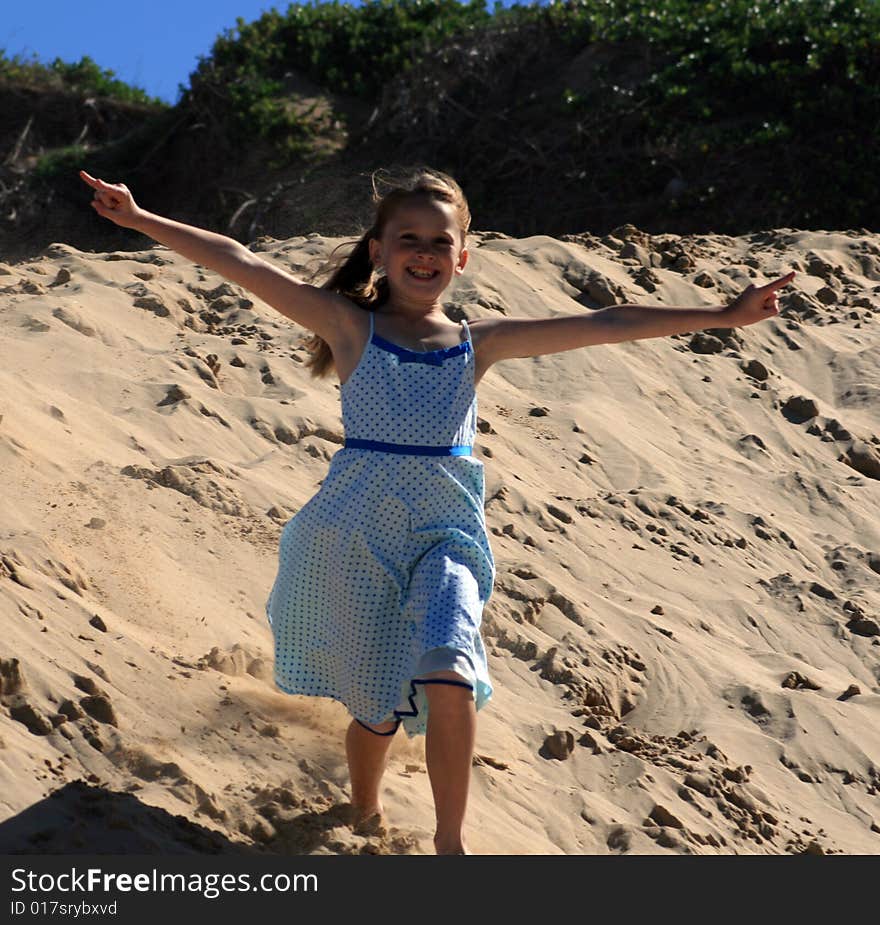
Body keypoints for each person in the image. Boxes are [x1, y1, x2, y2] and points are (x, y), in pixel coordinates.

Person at [79, 165, 795, 854]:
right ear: (379, 251)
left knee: (451, 671)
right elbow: (241, 261)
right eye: (408, 238)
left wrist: (724, 315)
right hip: (357, 537)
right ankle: (364, 804)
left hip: (446, 535)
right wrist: (140, 218)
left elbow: (607, 319)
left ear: (462, 256)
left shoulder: (478, 343)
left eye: (439, 241)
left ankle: (450, 844)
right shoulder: (349, 326)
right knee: (376, 711)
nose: (424, 252)